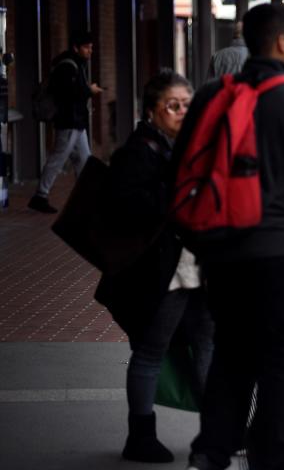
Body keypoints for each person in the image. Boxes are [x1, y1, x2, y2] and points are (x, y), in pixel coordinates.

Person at [176, 3, 284, 470]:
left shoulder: (212, 96)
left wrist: (202, 244)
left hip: (224, 257)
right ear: (280, 42)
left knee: (231, 355)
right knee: (282, 366)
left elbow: (181, 172)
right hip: (280, 257)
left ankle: (211, 452)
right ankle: (269, 461)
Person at [94, 69, 214, 463]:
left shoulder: (180, 145)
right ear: (152, 111)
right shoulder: (140, 150)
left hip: (192, 265)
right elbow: (128, 207)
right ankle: (140, 435)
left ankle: (219, 427)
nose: (183, 112)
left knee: (207, 342)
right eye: (173, 106)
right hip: (159, 272)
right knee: (151, 350)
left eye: (187, 105)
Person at [28, 32, 104, 213]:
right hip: (69, 120)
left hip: (76, 121)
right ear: (75, 48)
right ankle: (40, 195)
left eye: (91, 47)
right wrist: (89, 90)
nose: (90, 51)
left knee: (84, 160)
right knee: (58, 159)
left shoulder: (76, 64)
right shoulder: (67, 67)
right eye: (86, 47)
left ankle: (85, 199)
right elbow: (69, 94)